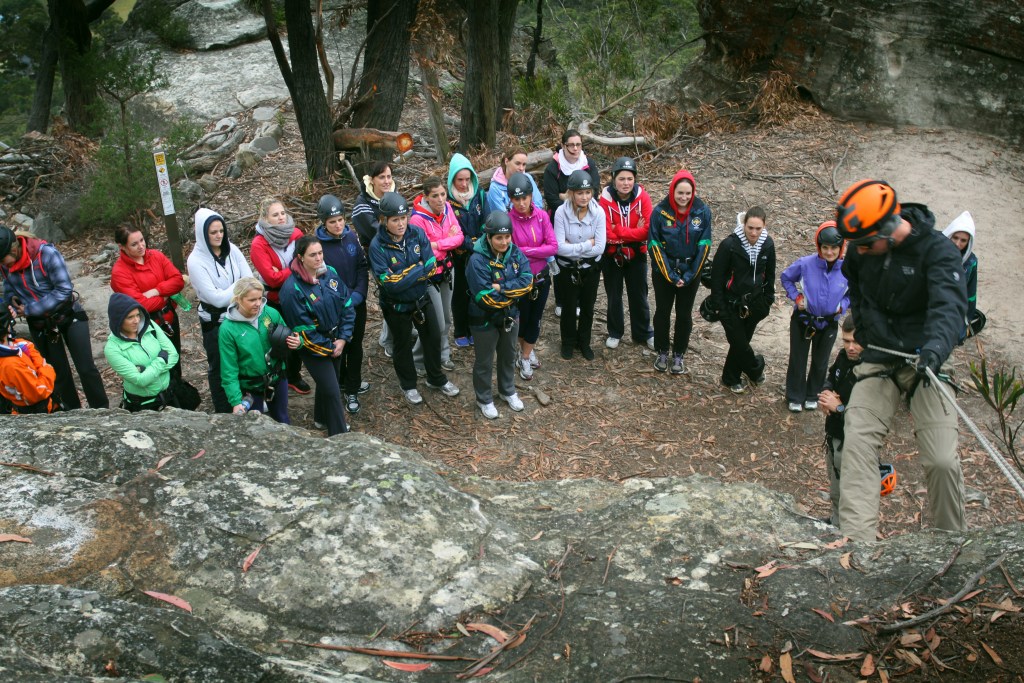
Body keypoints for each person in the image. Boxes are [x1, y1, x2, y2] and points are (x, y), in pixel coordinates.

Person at [835, 179, 967, 543]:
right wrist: (865, 328)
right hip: (880, 358)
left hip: (928, 362)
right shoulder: (862, 253)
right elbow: (857, 291)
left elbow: (950, 308)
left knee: (941, 460)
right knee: (857, 443)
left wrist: (934, 352)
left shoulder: (938, 252)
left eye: (864, 244)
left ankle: (949, 543)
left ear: (889, 230)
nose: (858, 251)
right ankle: (855, 547)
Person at [0, 224, 108, 410]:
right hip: (41, 324)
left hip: (67, 314)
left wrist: (30, 309)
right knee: (58, 374)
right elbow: (9, 289)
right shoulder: (5, 266)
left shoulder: (46, 254)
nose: (4, 265)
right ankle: (71, 413)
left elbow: (64, 290)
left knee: (86, 369)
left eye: (4, 260)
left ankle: (102, 411)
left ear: (14, 248)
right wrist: (12, 301)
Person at [368, 192, 460, 405]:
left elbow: (430, 266)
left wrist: (410, 273)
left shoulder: (417, 233)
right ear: (384, 220)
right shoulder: (377, 246)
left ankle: (436, 378)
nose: (401, 224)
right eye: (395, 220)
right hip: (396, 305)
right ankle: (408, 385)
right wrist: (416, 270)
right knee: (402, 346)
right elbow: (389, 283)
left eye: (403, 218)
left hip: (421, 297)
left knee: (433, 337)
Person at [279, 236, 356, 436]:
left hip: (336, 338)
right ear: (300, 258)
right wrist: (331, 348)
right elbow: (303, 331)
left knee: (328, 384)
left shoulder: (330, 273)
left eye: (320, 253)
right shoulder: (292, 289)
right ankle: (339, 434)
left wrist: (342, 338)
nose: (319, 258)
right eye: (313, 255)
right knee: (332, 389)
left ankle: (321, 418)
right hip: (312, 346)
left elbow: (347, 305)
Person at [466, 211, 533, 418]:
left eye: (507, 237)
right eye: (498, 238)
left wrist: (502, 288)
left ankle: (508, 391)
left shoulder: (515, 253)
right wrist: (512, 294)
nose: (504, 242)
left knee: (508, 355)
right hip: (483, 319)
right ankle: (484, 399)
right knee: (484, 360)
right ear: (488, 237)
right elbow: (484, 297)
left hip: (510, 316)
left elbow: (528, 281)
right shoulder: (477, 260)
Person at [187, 208, 253, 413]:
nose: (218, 236)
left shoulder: (231, 249)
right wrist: (240, 286)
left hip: (240, 316)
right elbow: (215, 299)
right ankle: (223, 408)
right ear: (202, 234)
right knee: (220, 365)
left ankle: (245, 400)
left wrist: (237, 288)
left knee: (242, 361)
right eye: (213, 233)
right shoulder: (195, 261)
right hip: (215, 321)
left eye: (221, 231)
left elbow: (250, 278)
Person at [780, 221, 849, 412]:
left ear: (841, 247)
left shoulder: (847, 268)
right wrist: (796, 297)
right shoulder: (805, 264)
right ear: (819, 246)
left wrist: (842, 306)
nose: (829, 252)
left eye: (834, 247)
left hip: (828, 322)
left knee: (821, 360)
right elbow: (786, 277)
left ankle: (813, 394)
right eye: (825, 247)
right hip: (804, 320)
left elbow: (855, 292)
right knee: (798, 358)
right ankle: (795, 395)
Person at [648, 169, 712, 374]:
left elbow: (705, 245)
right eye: (680, 193)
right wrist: (671, 276)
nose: (684, 198)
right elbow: (654, 245)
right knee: (662, 312)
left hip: (690, 273)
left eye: (688, 193)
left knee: (684, 315)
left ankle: (679, 354)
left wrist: (688, 275)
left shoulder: (702, 212)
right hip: (664, 272)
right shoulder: (660, 212)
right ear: (672, 191)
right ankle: (662, 351)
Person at [708, 206, 775, 393]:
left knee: (741, 342)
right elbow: (717, 278)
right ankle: (756, 368)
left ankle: (731, 377)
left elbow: (770, 274)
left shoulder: (767, 244)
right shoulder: (729, 245)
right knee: (740, 343)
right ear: (744, 224)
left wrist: (767, 300)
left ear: (764, 226)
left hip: (755, 303)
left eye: (758, 228)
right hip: (730, 304)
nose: (753, 232)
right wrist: (719, 307)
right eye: (750, 227)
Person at [316, 194, 371, 415]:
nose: (338, 225)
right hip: (335, 307)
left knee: (355, 345)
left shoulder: (351, 237)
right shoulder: (319, 245)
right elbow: (322, 277)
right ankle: (341, 380)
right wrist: (344, 299)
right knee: (339, 345)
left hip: (356, 302)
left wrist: (358, 294)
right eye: (332, 222)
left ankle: (352, 387)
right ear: (324, 223)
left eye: (340, 220)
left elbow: (361, 267)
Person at [249, 197, 310, 395]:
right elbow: (272, 279)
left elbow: (307, 264)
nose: (282, 217)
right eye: (275, 215)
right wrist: (295, 267)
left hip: (298, 295)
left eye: (283, 213)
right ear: (265, 218)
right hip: (275, 300)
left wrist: (286, 269)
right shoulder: (259, 244)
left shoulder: (297, 234)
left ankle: (293, 376)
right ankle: (275, 376)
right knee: (277, 339)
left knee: (297, 334)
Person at [219, 277, 300, 423]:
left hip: (277, 377)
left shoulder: (270, 313)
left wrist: (296, 342)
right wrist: (236, 401)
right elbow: (228, 370)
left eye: (260, 298)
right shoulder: (228, 329)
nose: (258, 304)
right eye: (252, 300)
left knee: (282, 419)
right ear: (238, 299)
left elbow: (289, 336)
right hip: (250, 386)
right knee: (254, 425)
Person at [110, 225, 185, 379]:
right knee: (156, 367)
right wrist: (166, 295)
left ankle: (178, 399)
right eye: (134, 244)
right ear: (122, 247)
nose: (141, 246)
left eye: (142, 240)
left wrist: (156, 291)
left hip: (169, 318)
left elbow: (178, 280)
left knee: (174, 362)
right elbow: (140, 306)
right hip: (144, 328)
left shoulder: (156, 256)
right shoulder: (120, 272)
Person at [543, 129, 601, 319]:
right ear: (563, 145)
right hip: (560, 219)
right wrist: (569, 204)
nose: (575, 148)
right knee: (563, 262)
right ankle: (561, 300)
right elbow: (552, 197)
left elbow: (594, 192)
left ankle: (579, 301)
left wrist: (569, 196)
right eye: (571, 145)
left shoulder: (588, 164)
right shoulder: (553, 168)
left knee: (583, 260)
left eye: (578, 144)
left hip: (587, 218)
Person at [600, 157, 654, 351]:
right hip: (612, 254)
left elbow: (648, 230)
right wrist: (632, 231)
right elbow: (606, 233)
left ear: (635, 180)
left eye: (629, 179)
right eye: (621, 179)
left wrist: (619, 230)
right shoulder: (604, 199)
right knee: (614, 294)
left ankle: (643, 332)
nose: (626, 183)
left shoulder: (643, 197)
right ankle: (615, 332)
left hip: (637, 254)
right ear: (614, 179)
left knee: (639, 294)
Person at [409, 176, 462, 374]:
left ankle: (443, 355)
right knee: (436, 323)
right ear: (426, 197)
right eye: (435, 196)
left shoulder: (447, 209)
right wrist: (446, 240)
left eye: (443, 194)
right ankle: (418, 358)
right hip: (429, 277)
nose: (441, 199)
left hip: (448, 271)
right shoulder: (417, 220)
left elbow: (459, 237)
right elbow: (424, 252)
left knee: (446, 319)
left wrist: (438, 243)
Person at [508, 172, 558, 380]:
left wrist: (527, 251)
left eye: (524, 198)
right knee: (523, 318)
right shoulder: (508, 220)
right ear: (511, 199)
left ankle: (526, 355)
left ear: (531, 196)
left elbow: (553, 247)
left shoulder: (542, 216)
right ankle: (524, 351)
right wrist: (538, 250)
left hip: (542, 277)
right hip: (520, 279)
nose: (521, 203)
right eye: (516, 199)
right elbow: (511, 251)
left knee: (536, 319)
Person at [553, 169, 606, 360]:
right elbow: (559, 248)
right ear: (571, 193)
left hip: (590, 268)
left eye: (588, 192)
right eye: (580, 193)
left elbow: (599, 247)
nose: (584, 197)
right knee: (568, 307)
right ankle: (567, 342)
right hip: (567, 268)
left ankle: (584, 342)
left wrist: (573, 247)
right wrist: (586, 245)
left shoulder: (598, 212)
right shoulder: (561, 212)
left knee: (588, 306)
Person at [351, 161, 398, 356]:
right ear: (372, 180)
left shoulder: (393, 196)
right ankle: (388, 339)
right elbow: (376, 232)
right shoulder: (362, 204)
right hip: (377, 257)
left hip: (398, 253)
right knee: (390, 295)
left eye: (388, 176)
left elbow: (401, 222)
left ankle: (395, 331)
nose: (386, 181)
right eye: (381, 177)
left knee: (399, 294)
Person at [104, 292, 178, 412]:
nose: (137, 320)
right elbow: (141, 381)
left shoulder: (151, 326)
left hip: (169, 395)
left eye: (138, 315)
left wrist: (147, 372)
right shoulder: (112, 349)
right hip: (142, 405)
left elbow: (174, 356)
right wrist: (161, 360)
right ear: (118, 320)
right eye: (130, 317)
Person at [447, 153, 488, 349]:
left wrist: (479, 243)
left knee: (476, 290)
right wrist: (469, 244)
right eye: (459, 180)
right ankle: (460, 330)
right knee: (460, 293)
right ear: (452, 179)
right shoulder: (447, 200)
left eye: (467, 179)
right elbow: (452, 229)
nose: (464, 184)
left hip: (479, 253)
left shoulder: (479, 194)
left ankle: (474, 328)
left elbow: (486, 222)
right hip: (458, 255)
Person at [0, 304, 57, 414]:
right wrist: (47, 370)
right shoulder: (11, 364)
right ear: (7, 325)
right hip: (35, 410)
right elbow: (37, 393)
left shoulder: (17, 345)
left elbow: (29, 348)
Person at [942, 211, 985, 337]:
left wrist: (966, 319)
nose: (957, 244)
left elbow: (970, 293)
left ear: (968, 242)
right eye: (955, 238)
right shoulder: (933, 252)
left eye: (963, 240)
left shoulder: (970, 262)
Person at [486, 147, 544, 215]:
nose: (521, 168)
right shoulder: (495, 188)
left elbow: (538, 204)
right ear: (506, 161)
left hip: (532, 220)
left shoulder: (528, 178)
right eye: (517, 164)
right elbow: (502, 217)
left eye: (524, 164)